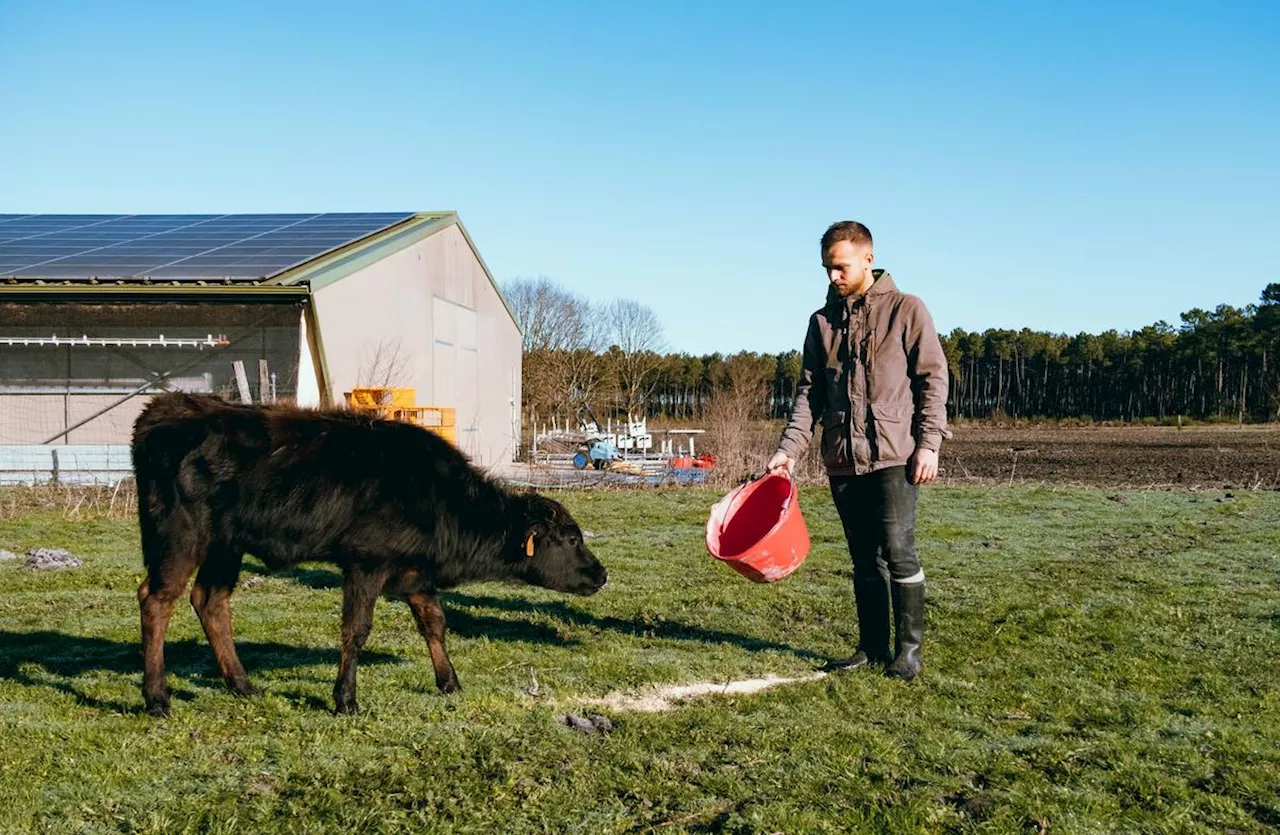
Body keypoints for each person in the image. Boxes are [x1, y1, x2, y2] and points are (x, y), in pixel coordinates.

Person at [768, 221, 950, 681]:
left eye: (841, 267)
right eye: (827, 269)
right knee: (863, 559)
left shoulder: (908, 310)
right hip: (842, 459)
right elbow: (809, 394)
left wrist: (929, 444)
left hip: (895, 455)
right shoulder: (821, 323)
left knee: (898, 551)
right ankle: (871, 647)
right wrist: (789, 449)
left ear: (869, 258)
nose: (833, 277)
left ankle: (907, 654)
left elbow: (933, 380)